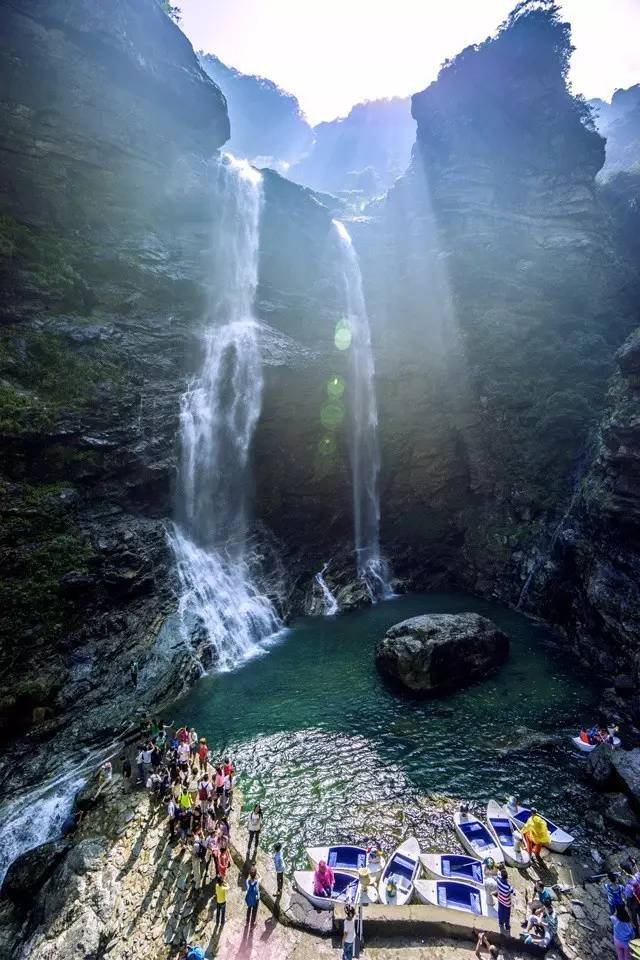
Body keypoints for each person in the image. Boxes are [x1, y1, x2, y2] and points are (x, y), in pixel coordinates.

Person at [495, 866, 515, 934]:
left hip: (500, 899)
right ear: (506, 877)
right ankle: (507, 927)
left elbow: (498, 874)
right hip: (507, 903)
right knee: (507, 915)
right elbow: (513, 891)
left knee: (500, 911)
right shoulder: (508, 887)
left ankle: (500, 923)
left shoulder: (498, 880)